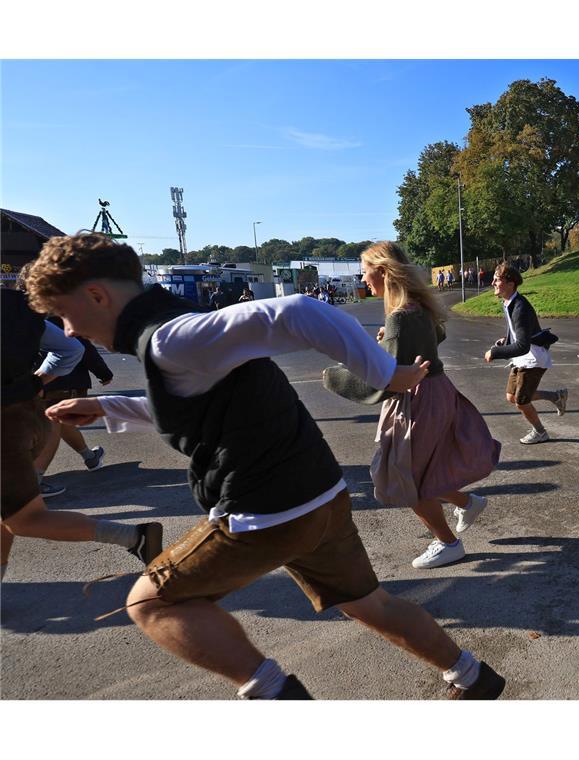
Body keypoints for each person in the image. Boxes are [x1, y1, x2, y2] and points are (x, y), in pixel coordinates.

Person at [25, 233, 505, 700]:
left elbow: (300, 311)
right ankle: (470, 674)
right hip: (320, 495)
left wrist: (382, 374)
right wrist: (112, 406)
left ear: (95, 294)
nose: (68, 332)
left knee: (150, 602)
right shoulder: (178, 328)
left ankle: (278, 700)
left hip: (267, 509)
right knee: (371, 604)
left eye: (64, 314)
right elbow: (197, 405)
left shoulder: (171, 338)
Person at [2, 281, 161, 580]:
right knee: (8, 515)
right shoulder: (15, 309)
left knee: (25, 518)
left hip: (6, 435)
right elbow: (71, 348)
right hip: (24, 414)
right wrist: (35, 382)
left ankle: (134, 537)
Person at [363, 242, 501, 569]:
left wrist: (336, 376)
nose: (363, 276)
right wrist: (392, 339)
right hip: (438, 392)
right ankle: (468, 503)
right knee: (424, 470)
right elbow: (435, 338)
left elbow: (380, 379)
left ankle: (448, 543)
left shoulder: (399, 316)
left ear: (382, 270)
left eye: (366, 268)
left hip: (418, 398)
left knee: (408, 477)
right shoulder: (418, 308)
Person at [484, 263, 568, 444]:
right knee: (511, 397)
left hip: (533, 357)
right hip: (523, 356)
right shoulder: (508, 302)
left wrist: (495, 352)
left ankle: (540, 432)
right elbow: (514, 331)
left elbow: (522, 345)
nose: (492, 283)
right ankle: (556, 396)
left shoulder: (520, 307)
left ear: (510, 283)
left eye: (497, 279)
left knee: (521, 401)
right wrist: (505, 341)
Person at [33, 315, 114, 493]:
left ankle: (90, 457)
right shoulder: (62, 319)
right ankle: (34, 480)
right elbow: (85, 350)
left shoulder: (21, 318)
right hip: (67, 383)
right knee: (55, 421)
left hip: (35, 384)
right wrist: (104, 374)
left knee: (58, 419)